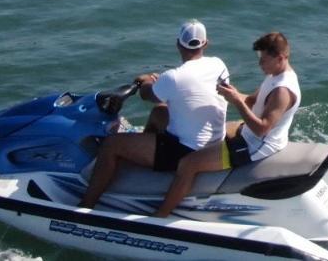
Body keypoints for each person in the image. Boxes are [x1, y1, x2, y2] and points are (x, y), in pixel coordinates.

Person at [80, 21, 229, 210]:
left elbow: (146, 94)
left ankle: (86, 205)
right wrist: (162, 83)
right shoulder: (218, 64)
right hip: (215, 141)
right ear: (205, 44)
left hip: (186, 151)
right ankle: (142, 153)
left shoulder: (174, 77)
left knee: (111, 145)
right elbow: (187, 91)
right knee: (160, 111)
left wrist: (146, 81)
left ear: (178, 44)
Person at [154, 32, 300, 217]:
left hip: (257, 145)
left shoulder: (282, 91)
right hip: (252, 133)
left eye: (264, 59)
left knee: (188, 164)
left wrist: (236, 101)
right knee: (218, 130)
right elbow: (253, 101)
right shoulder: (275, 76)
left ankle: (160, 215)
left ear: (280, 58)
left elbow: (262, 129)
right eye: (259, 57)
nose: (260, 63)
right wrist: (235, 94)